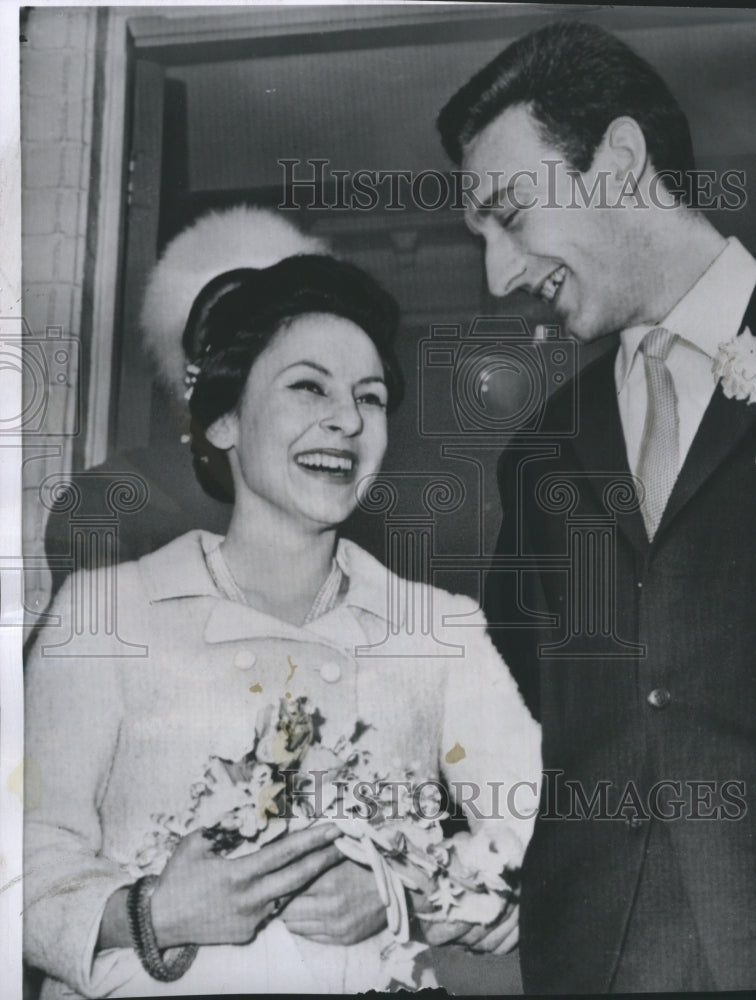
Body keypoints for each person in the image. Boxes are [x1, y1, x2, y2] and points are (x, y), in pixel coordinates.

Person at [23, 214, 540, 997]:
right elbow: (18, 859)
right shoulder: (104, 614)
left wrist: (404, 895)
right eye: (308, 387)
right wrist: (154, 913)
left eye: (370, 396)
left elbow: (539, 821)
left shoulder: (440, 628)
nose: (348, 419)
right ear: (225, 418)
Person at [437, 20, 756, 993]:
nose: (498, 274)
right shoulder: (538, 456)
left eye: (509, 215)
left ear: (616, 160)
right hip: (591, 957)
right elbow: (510, 702)